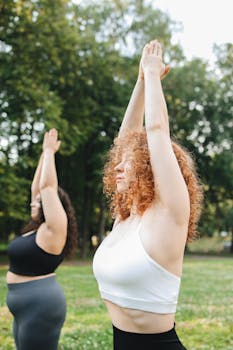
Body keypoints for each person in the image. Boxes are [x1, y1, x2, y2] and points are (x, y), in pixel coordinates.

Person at [93, 40, 203, 350]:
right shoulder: (127, 217)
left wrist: (153, 74)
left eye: (128, 164)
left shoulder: (170, 212)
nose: (117, 168)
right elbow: (124, 139)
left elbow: (156, 131)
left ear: (150, 169)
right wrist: (140, 83)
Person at [6, 128, 78, 350]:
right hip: (22, 305)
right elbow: (37, 187)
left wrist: (49, 152)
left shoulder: (54, 229)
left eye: (39, 202)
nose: (33, 202)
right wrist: (43, 155)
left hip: (40, 305)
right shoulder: (36, 229)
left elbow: (47, 188)